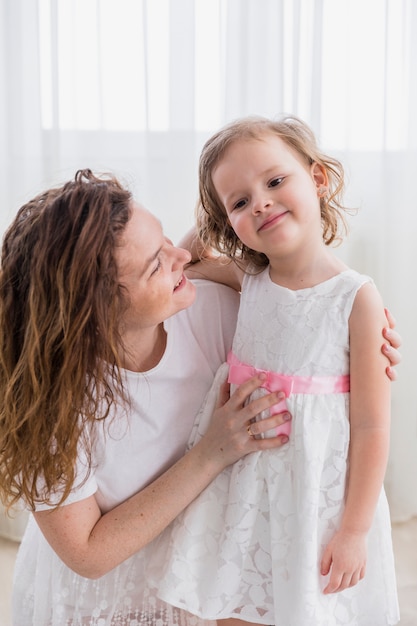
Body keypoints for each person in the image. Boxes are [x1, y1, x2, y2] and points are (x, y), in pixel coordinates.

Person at [0, 169, 297, 626]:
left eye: (165, 241)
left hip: (197, 570)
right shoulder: (47, 401)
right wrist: (211, 453)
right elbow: (88, 554)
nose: (183, 256)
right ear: (94, 313)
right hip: (103, 596)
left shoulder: (210, 311)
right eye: (157, 264)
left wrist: (363, 327)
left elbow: (300, 321)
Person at [149, 116, 401, 626]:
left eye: (275, 180)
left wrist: (353, 531)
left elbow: (373, 426)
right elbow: (182, 262)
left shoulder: (356, 298)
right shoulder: (247, 278)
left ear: (319, 179)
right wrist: (216, 216)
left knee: (307, 607)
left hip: (314, 492)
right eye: (239, 201)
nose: (260, 201)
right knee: (233, 603)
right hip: (243, 484)